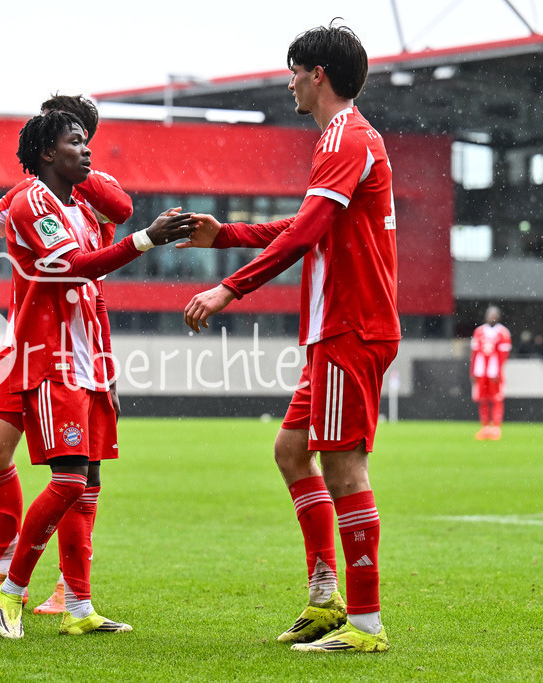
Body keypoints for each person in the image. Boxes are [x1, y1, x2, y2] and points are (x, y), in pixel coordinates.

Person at [180, 22, 397, 653]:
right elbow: (306, 223)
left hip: (351, 326)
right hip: (337, 328)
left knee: (344, 465)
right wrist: (226, 235)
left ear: (317, 74)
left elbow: (303, 234)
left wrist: (230, 287)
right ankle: (326, 598)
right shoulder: (343, 137)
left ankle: (366, 625)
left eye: (295, 71)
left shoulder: (347, 137)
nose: (290, 83)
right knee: (292, 451)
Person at [0, 111, 197, 638]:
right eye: (75, 142)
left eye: (86, 142)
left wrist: (108, 373)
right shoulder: (31, 202)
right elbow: (77, 267)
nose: (86, 150)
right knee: (67, 480)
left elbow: (94, 294)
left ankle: (80, 608)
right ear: (46, 153)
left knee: (89, 486)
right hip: (51, 359)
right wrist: (146, 239)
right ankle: (11, 591)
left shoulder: (80, 209)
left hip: (89, 365)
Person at [0, 95, 133, 615]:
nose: (80, 147)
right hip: (22, 340)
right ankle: (7, 574)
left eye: (77, 134)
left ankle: (71, 588)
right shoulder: (29, 195)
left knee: (78, 472)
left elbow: (122, 210)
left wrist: (74, 170)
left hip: (76, 341)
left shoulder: (94, 189)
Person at [470, 305, 512, 440]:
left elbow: (504, 355)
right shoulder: (479, 331)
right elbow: (474, 353)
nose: (492, 317)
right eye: (490, 314)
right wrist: (472, 372)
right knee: (482, 399)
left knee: (497, 399)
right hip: (481, 371)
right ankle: (485, 428)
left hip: (494, 372)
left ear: (498, 317)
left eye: (494, 315)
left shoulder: (503, 333)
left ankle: (496, 428)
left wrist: (498, 371)